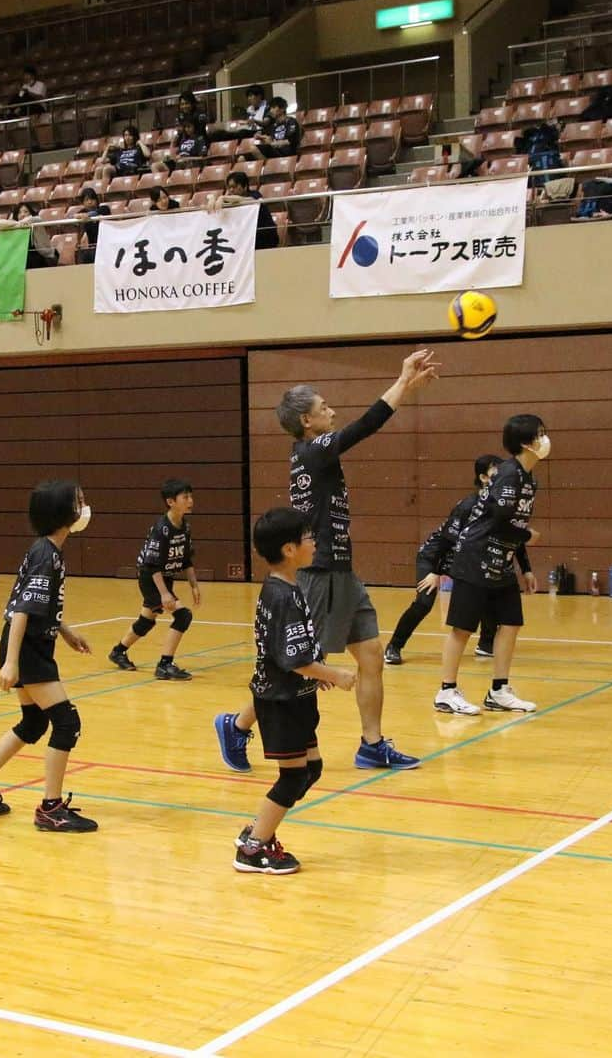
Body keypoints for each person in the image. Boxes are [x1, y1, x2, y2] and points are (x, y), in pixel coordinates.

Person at [214, 351, 438, 774]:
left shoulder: (315, 453)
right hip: (319, 575)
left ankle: (371, 744)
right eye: (323, 408)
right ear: (306, 422)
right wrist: (404, 381)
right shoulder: (313, 450)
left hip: (341, 570)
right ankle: (238, 725)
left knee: (370, 652)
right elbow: (367, 425)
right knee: (296, 664)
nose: (332, 411)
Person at [0, 480, 97, 832]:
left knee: (34, 723)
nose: (85, 506)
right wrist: (12, 662)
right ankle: (50, 808)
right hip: (27, 650)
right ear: (63, 512)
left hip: (31, 645)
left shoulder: (47, 550)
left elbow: (37, 606)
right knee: (67, 723)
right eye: (79, 501)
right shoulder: (46, 554)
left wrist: (64, 631)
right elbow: (20, 610)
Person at [231, 507, 357, 874]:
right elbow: (294, 659)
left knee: (311, 769)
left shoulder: (288, 587)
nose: (313, 542)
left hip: (297, 697)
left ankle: (259, 829)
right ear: (288, 549)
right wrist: (334, 673)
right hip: (280, 701)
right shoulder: (282, 596)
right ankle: (253, 848)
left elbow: (291, 650)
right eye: (307, 538)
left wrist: (315, 674)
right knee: (294, 777)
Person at [435, 415, 548, 716]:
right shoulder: (509, 474)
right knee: (462, 628)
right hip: (476, 557)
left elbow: (514, 522)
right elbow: (499, 521)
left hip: (502, 561)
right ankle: (446, 691)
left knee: (511, 623)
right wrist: (527, 536)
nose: (545, 439)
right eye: (540, 434)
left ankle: (499, 690)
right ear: (526, 443)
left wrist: (524, 566)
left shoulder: (529, 479)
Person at [384, 454, 517, 666]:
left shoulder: (501, 507)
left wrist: (526, 569)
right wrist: (435, 572)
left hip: (464, 559)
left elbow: (513, 536)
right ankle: (394, 646)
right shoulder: (469, 505)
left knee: (487, 591)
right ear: (483, 477)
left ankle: (486, 643)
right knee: (424, 602)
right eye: (495, 473)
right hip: (435, 556)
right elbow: (447, 539)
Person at [108, 478, 200, 680]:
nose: (190, 500)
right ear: (171, 502)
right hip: (151, 578)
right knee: (183, 616)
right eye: (185, 497)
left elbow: (186, 559)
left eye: (190, 496)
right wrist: (165, 594)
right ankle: (164, 665)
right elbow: (151, 565)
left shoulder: (184, 526)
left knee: (146, 621)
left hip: (165, 578)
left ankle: (118, 652)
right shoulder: (162, 529)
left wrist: (194, 585)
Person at [207, 170, 279, 250]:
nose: (231, 190)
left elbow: (248, 200)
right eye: (229, 187)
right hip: (246, 239)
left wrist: (223, 197)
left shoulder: (255, 195)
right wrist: (213, 199)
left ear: (245, 187)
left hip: (265, 237)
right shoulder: (228, 200)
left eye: (234, 187)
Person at [2, 201, 57, 268]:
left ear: (31, 213)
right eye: (19, 212)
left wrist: (14, 223)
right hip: (25, 257)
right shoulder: (16, 226)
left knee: (29, 258)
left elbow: (30, 219)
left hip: (44, 256)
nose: (22, 214)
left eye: (26, 212)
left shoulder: (36, 220)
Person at [74, 186, 110, 265]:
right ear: (83, 203)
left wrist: (88, 215)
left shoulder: (104, 209)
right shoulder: (82, 212)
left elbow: (100, 212)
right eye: (86, 200)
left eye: (92, 199)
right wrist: (77, 216)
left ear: (97, 200)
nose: (90, 202)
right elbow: (74, 217)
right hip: (93, 248)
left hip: (106, 247)